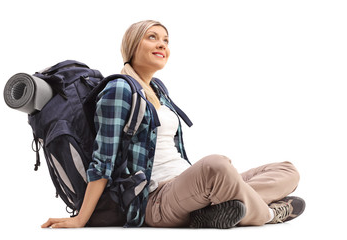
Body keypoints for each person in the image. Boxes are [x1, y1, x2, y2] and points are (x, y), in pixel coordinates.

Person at [41, 20, 305, 229]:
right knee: (216, 166)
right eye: (152, 37)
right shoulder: (118, 90)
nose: (162, 45)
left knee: (287, 170)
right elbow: (103, 161)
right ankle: (271, 214)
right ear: (132, 46)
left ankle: (211, 213)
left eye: (166, 40)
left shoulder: (157, 89)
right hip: (154, 201)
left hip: (187, 185)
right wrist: (80, 219)